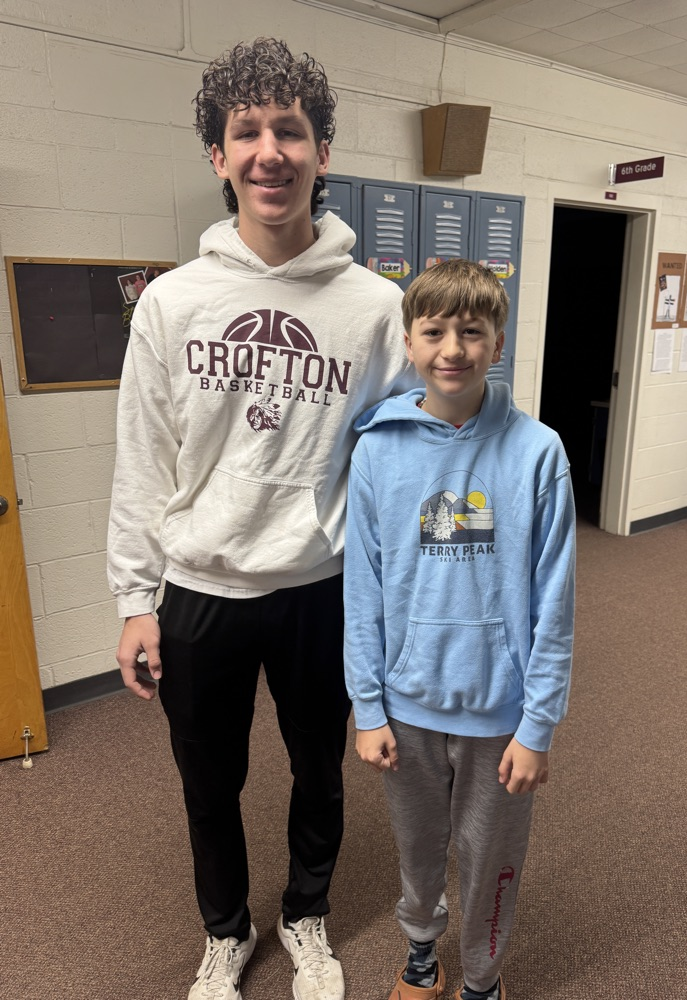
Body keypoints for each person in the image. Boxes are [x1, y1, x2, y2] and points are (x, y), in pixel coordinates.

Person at [107, 37, 414, 1000]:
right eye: (248, 131)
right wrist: (133, 597)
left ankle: (308, 915)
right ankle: (227, 931)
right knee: (209, 783)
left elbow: (404, 461)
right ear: (218, 155)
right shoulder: (172, 303)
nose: (269, 150)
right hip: (198, 591)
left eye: (292, 129)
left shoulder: (374, 308)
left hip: (319, 590)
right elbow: (141, 457)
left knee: (320, 773)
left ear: (322, 153)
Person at [343, 259, 576, 1000]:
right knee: (418, 850)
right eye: (434, 331)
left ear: (497, 343)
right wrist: (367, 706)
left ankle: (482, 978)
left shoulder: (539, 452)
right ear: (408, 343)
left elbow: (556, 601)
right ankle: (420, 954)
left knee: (490, 857)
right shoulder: (378, 449)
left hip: (498, 714)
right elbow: (363, 589)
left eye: (471, 332)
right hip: (406, 706)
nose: (453, 348)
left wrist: (538, 724)